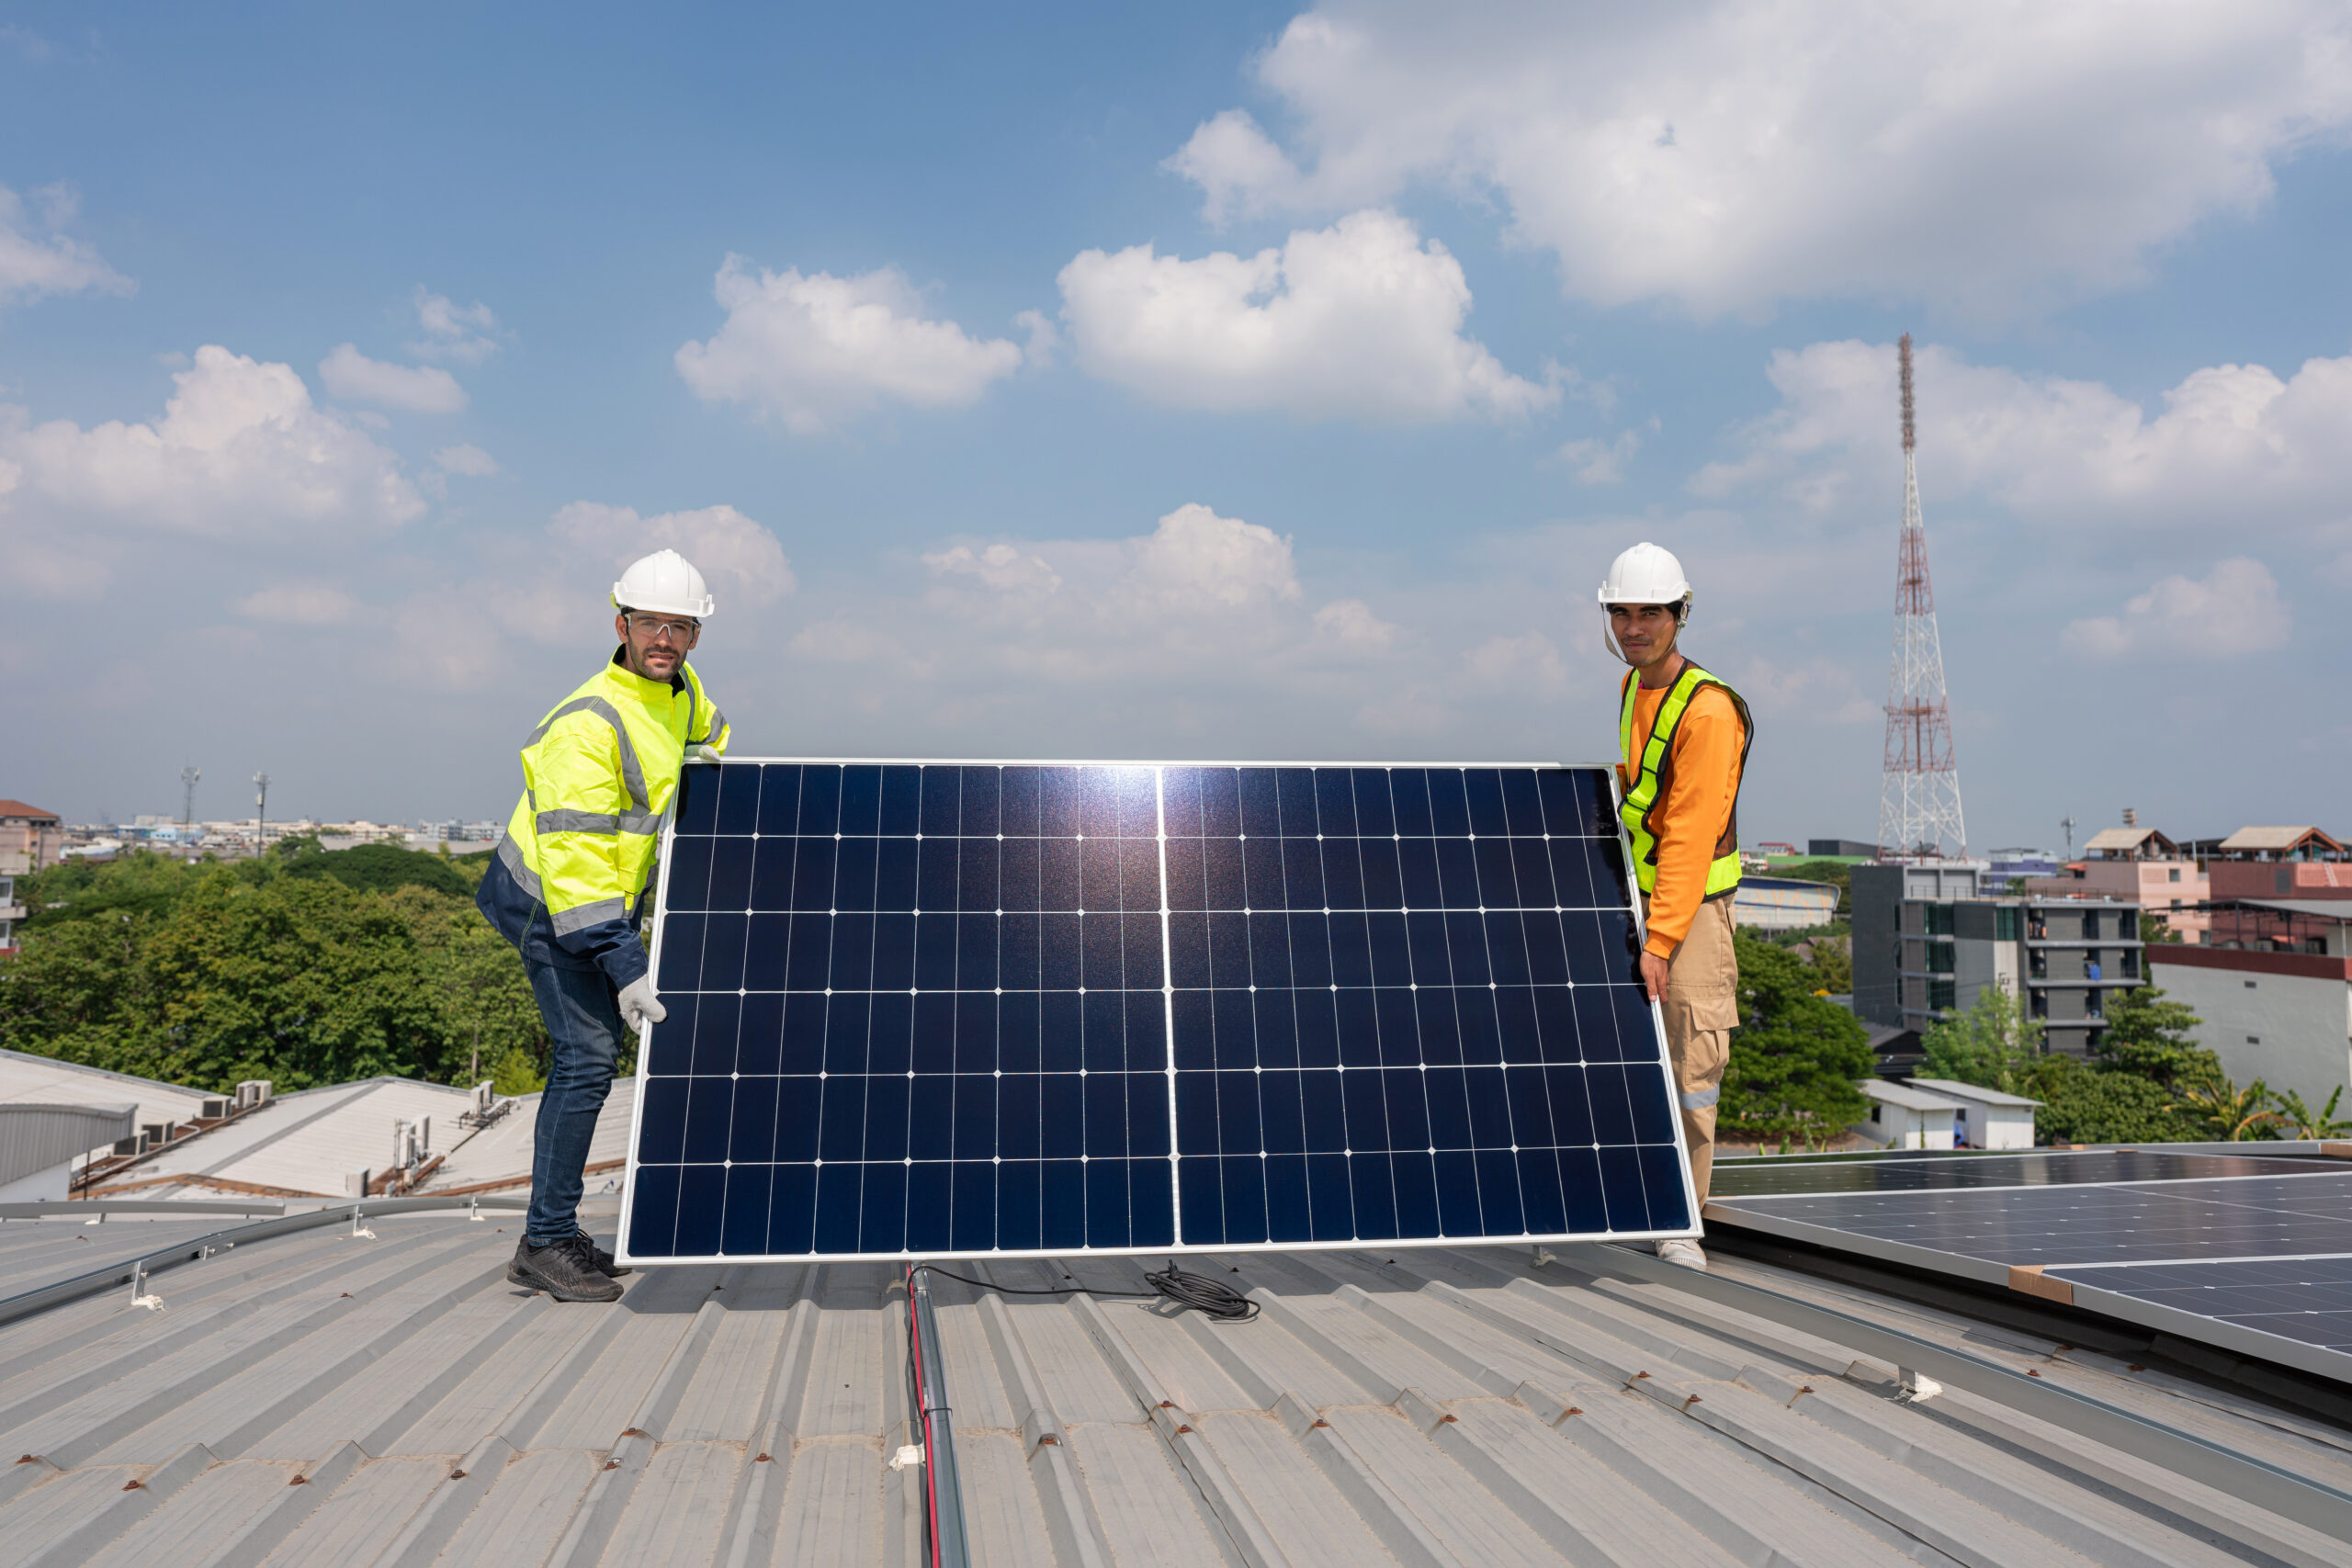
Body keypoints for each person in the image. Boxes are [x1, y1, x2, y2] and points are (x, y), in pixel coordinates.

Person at [479, 548, 730, 1301]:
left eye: (680, 626)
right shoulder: (587, 724)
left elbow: (708, 735)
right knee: (587, 1059)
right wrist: (625, 961)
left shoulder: (679, 693)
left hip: (600, 908)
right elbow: (579, 870)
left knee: (596, 1058)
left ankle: (558, 1227)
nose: (665, 639)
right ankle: (545, 1240)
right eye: (652, 623)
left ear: (694, 637)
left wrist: (712, 766)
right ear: (620, 623)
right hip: (550, 905)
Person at [1599, 542, 1752, 1271]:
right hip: (1646, 904)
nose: (1635, 625)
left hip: (1689, 918)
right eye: (1622, 611)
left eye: (1650, 612)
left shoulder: (1709, 708)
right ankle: (1641, 1196)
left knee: (1691, 1065)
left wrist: (1660, 939)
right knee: (1639, 1059)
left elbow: (1689, 834)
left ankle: (1680, 1219)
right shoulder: (1636, 686)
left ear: (1680, 614)